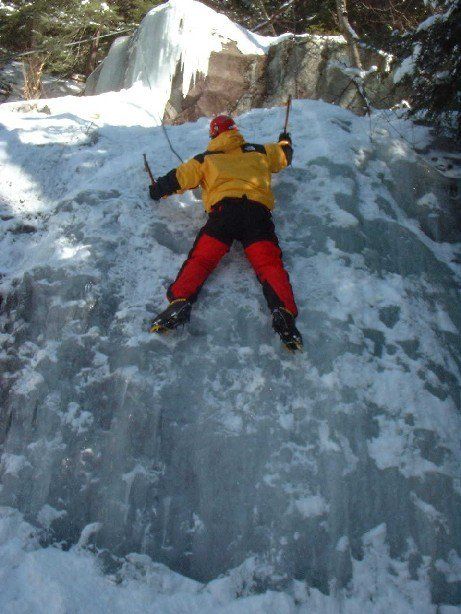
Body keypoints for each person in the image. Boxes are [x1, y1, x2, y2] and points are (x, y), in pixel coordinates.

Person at [148, 114, 302, 352]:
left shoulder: (206, 159)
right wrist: (284, 141)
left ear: (214, 134)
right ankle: (284, 313)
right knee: (269, 264)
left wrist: (157, 190)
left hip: (224, 215)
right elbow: (284, 157)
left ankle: (180, 301)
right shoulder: (260, 151)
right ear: (234, 131)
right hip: (257, 215)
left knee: (202, 259)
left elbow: (178, 179)